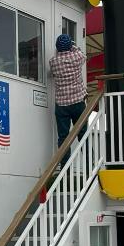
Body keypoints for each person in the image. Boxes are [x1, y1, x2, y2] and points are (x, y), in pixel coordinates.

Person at [49, 33, 87, 168]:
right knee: (83, 134)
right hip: (78, 102)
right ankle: (89, 163)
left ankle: (65, 166)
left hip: (62, 105)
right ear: (70, 46)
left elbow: (52, 74)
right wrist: (73, 46)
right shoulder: (77, 57)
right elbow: (82, 54)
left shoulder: (53, 62)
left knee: (63, 137)